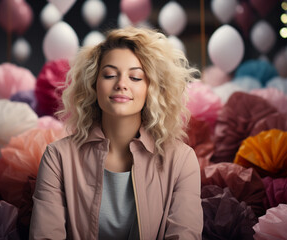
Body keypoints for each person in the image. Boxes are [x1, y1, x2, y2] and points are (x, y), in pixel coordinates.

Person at [29, 27, 203, 240]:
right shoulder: (58, 157)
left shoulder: (181, 160)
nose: (121, 84)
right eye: (110, 75)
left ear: (153, 88)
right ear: (93, 84)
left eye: (136, 77)